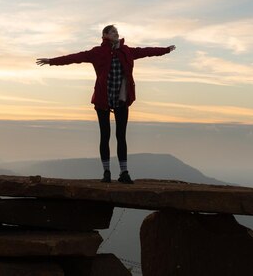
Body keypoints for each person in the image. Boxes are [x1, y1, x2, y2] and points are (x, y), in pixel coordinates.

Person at [36, 25, 176, 184]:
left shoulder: (126, 51)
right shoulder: (97, 52)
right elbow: (75, 57)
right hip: (103, 99)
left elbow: (146, 51)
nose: (117, 34)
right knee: (105, 135)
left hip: (121, 98)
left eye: (117, 32)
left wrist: (165, 50)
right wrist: (51, 61)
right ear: (105, 35)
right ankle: (107, 172)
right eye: (113, 32)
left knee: (121, 136)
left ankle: (124, 173)